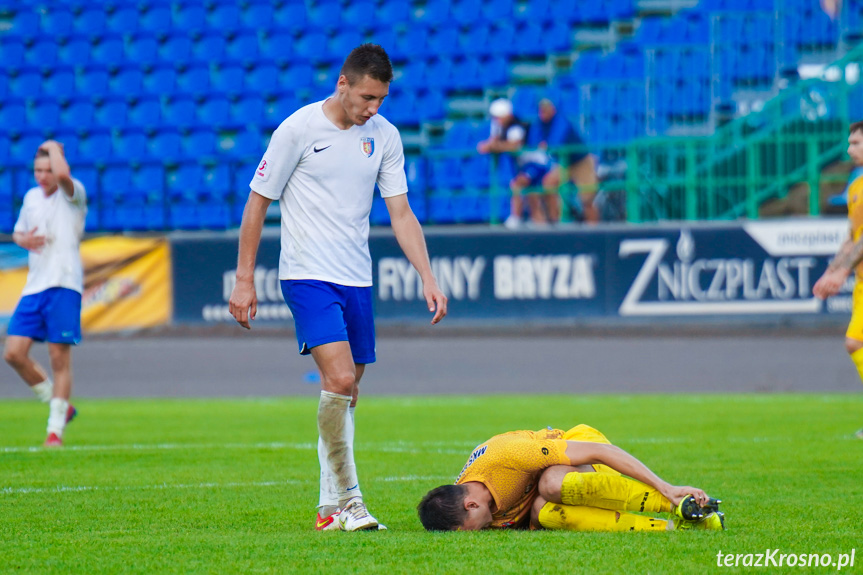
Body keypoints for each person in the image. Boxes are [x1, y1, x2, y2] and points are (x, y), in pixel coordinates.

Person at [228, 44, 448, 532]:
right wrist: (244, 279)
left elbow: (401, 212)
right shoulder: (298, 129)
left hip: (357, 277)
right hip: (307, 273)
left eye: (382, 99)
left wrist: (427, 276)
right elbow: (256, 203)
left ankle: (328, 508)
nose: (373, 108)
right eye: (367, 97)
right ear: (342, 84)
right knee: (342, 380)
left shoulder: (385, 136)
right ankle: (350, 503)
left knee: (347, 392)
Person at [417, 424, 724, 532]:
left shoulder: (509, 457)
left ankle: (677, 504)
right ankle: (677, 527)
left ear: (471, 505)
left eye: (467, 530)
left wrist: (666, 487)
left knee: (550, 484)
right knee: (542, 510)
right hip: (561, 490)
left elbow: (600, 451)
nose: (473, 535)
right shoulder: (471, 497)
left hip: (585, 450)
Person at [3, 141, 87, 447]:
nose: (42, 176)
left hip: (64, 284)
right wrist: (22, 239)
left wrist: (53, 146)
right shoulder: (31, 198)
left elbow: (64, 174)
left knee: (58, 357)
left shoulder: (72, 193)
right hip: (35, 286)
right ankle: (61, 405)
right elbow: (17, 231)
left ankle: (54, 431)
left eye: (47, 169)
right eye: (37, 170)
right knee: (13, 352)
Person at [813, 120, 863, 439]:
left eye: (856, 143)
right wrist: (834, 269)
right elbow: (852, 235)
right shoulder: (856, 186)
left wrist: (842, 270)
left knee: (854, 342)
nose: (849, 149)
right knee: (856, 343)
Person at [527, 98, 600, 224]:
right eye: (541, 110)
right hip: (564, 163)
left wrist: (546, 145)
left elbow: (556, 142)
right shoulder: (539, 124)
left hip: (581, 162)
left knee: (587, 200)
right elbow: (533, 141)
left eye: (546, 109)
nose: (543, 112)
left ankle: (594, 228)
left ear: (553, 109)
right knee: (548, 184)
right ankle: (556, 224)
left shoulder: (561, 121)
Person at [476, 98, 533, 229]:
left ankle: (517, 216)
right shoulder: (498, 126)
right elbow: (492, 142)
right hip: (520, 165)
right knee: (528, 191)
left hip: (532, 163)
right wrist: (492, 145)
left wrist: (494, 146)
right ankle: (526, 218)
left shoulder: (516, 126)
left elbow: (514, 145)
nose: (497, 120)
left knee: (518, 185)